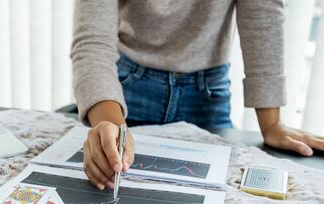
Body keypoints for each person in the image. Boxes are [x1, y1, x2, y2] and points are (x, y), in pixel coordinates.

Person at [70, 0, 324, 190]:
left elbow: (262, 14)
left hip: (207, 94)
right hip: (125, 92)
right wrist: (110, 122)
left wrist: (271, 123)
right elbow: (93, 41)